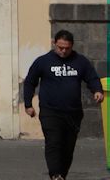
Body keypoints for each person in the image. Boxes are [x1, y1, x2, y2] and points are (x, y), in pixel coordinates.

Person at [23, 29, 105, 180]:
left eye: (67, 48)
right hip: (50, 111)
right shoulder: (43, 61)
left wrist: (97, 90)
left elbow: (92, 77)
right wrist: (28, 104)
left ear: (72, 46)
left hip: (73, 113)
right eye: (60, 47)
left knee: (67, 148)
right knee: (53, 142)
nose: (63, 51)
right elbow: (29, 82)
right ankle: (55, 174)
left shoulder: (80, 61)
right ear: (55, 44)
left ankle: (62, 175)